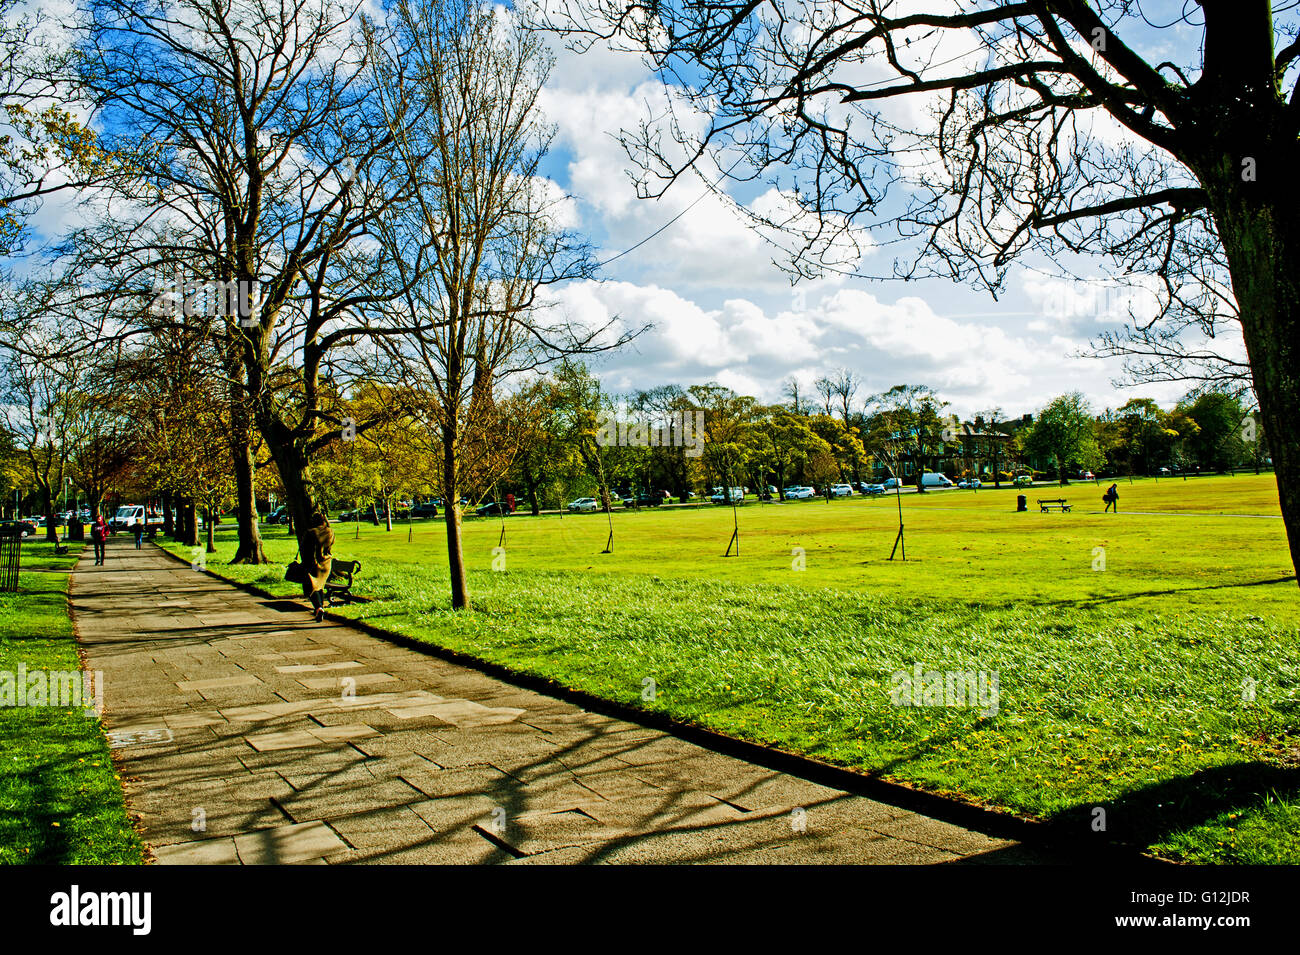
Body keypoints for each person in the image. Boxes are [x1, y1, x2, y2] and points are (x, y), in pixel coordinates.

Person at [302, 512, 335, 623]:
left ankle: (318, 608)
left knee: (311, 587)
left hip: (313, 563)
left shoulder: (310, 532)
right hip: (326, 564)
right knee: (319, 586)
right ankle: (320, 607)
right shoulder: (330, 532)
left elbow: (303, 548)